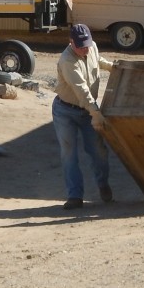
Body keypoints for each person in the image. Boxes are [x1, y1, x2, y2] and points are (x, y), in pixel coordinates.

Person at [53, 23, 115, 210]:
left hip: (86, 110)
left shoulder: (91, 46)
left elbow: (97, 59)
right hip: (66, 111)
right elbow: (83, 91)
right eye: (80, 46)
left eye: (86, 45)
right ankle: (75, 196)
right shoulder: (67, 61)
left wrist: (112, 67)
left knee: (98, 151)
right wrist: (96, 114)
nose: (84, 49)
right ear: (71, 42)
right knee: (69, 153)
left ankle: (103, 184)